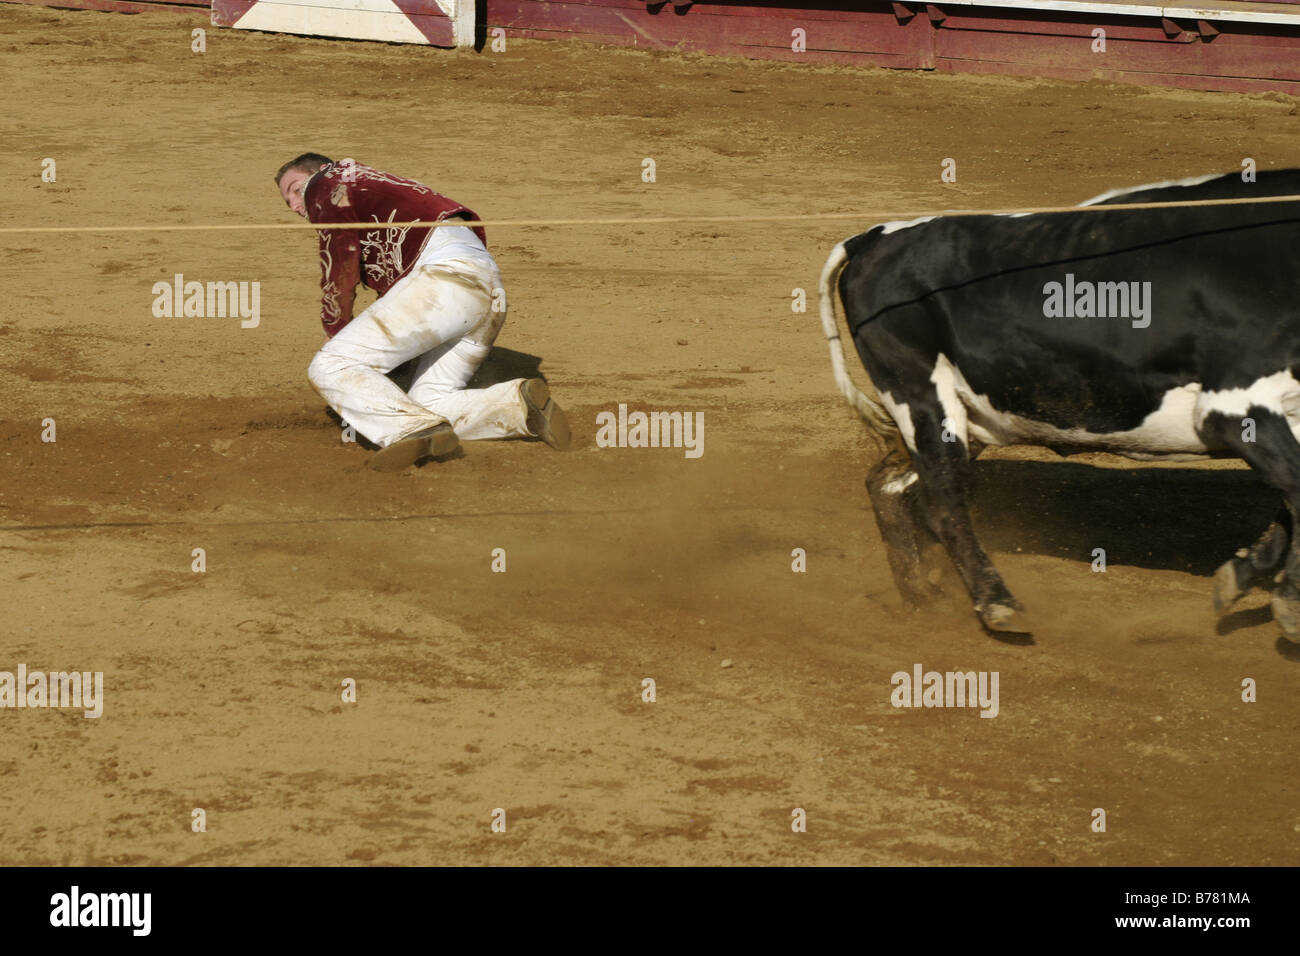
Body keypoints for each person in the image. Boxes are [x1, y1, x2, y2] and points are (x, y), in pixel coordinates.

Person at [274, 153, 570, 471]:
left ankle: (409, 430)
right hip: (484, 288)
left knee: (331, 364)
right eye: (287, 200)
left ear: (320, 170)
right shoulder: (366, 189)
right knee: (425, 402)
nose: (294, 205)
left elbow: (340, 258)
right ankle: (516, 407)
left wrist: (334, 329)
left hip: (448, 278)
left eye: (293, 188)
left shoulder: (330, 182)